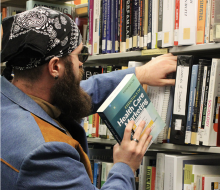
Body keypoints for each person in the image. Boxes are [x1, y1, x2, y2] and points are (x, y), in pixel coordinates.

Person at [0, 7, 177, 190]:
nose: (81, 63)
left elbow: (77, 93)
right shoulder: (45, 152)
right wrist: (124, 166)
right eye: (80, 55)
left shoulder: (11, 98)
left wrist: (140, 73)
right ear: (55, 67)